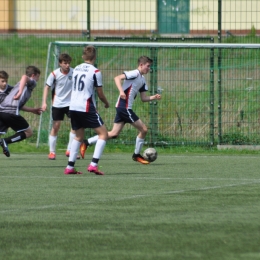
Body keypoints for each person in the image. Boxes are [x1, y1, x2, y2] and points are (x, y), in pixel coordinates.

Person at [80, 56, 161, 164]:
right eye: (148, 66)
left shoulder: (142, 79)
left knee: (113, 134)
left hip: (123, 108)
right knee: (144, 129)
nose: (149, 69)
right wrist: (121, 91)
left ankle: (86, 142)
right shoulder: (135, 73)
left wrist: (153, 97)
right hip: (124, 107)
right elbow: (117, 78)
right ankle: (136, 155)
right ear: (141, 65)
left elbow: (143, 98)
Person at [64, 45, 109, 175]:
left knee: (78, 136)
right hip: (86, 106)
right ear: (95, 57)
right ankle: (93, 165)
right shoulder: (95, 72)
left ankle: (70, 167)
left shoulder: (76, 69)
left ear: (83, 56)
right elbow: (100, 93)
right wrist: (106, 103)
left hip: (73, 106)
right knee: (103, 134)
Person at [42, 53, 80, 160]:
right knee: (56, 126)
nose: (67, 65)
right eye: (65, 63)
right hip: (58, 104)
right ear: (60, 64)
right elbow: (46, 88)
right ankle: (52, 152)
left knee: (75, 126)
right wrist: (44, 102)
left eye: (68, 63)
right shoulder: (54, 74)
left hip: (71, 104)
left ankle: (70, 150)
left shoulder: (74, 72)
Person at [0, 66, 42, 157]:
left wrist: (32, 110)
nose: (38, 80)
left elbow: (19, 105)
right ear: (33, 75)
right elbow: (24, 77)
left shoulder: (18, 85)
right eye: (38, 77)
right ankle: (5, 141)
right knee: (29, 132)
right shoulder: (32, 82)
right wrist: (19, 93)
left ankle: (4, 141)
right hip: (10, 112)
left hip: (2, 112)